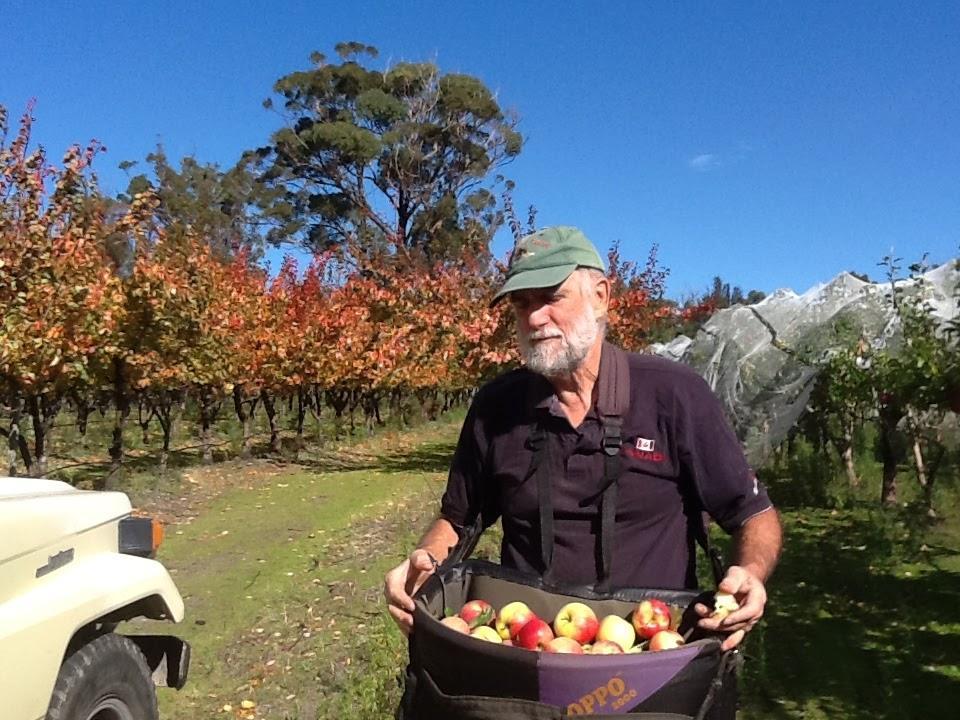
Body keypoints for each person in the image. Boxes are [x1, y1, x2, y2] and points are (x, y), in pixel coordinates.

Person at [384, 226, 782, 651]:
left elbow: (753, 513)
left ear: (601, 296)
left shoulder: (673, 396)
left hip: (649, 659)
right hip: (526, 655)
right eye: (522, 303)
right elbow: (456, 520)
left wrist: (750, 574)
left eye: (552, 297)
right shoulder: (496, 409)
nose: (535, 317)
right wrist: (423, 564)